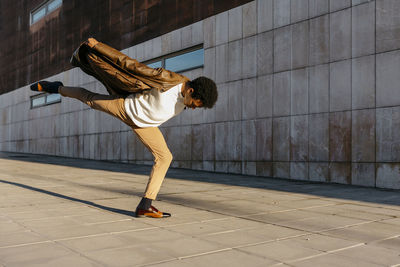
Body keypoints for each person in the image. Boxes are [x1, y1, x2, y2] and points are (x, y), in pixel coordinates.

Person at [30, 38, 218, 218]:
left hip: (145, 126)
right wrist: (98, 47)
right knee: (89, 99)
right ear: (191, 91)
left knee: (165, 157)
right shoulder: (168, 81)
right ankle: (56, 88)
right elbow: (131, 65)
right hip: (125, 107)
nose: (193, 108)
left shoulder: (186, 98)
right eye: (195, 104)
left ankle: (145, 206)